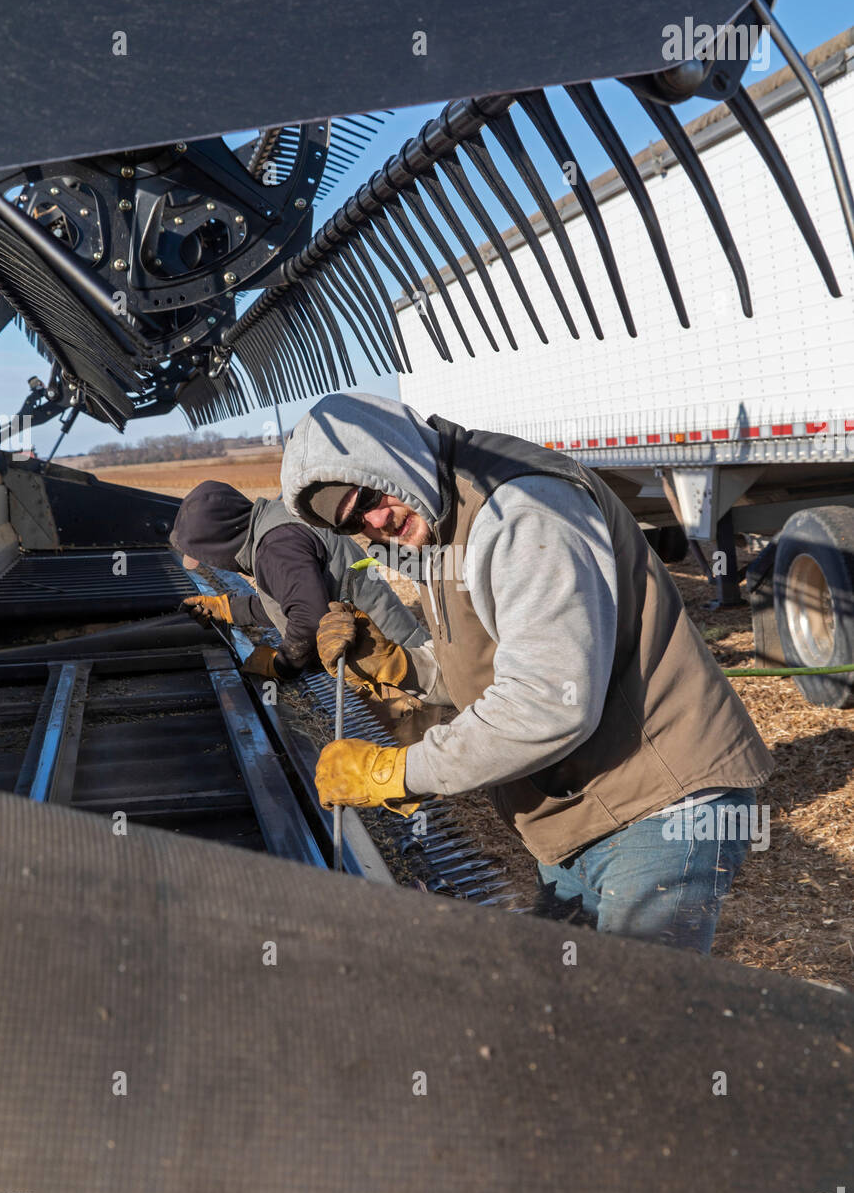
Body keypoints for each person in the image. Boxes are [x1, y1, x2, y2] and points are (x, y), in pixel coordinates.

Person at [279, 392, 774, 953]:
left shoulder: (518, 508)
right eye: (353, 523)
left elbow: (546, 703)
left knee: (641, 1022)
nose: (375, 523)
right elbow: (485, 671)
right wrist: (396, 665)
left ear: (392, 456)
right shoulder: (440, 519)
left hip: (658, 803)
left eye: (369, 496)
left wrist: (397, 773)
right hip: (578, 813)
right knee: (567, 1006)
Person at [169, 479, 428, 681]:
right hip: (385, 652)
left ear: (219, 543)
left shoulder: (275, 548)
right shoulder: (275, 522)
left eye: (209, 557)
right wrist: (227, 609)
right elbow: (295, 600)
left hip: (392, 666)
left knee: (406, 738)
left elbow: (308, 618)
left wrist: (282, 665)